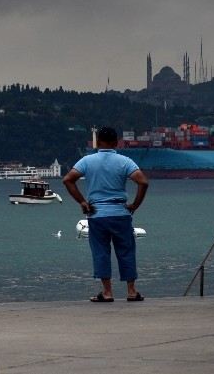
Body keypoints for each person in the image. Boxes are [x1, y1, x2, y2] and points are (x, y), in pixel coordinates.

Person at [63, 126, 149, 302]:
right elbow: (143, 182)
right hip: (120, 213)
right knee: (126, 251)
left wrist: (82, 201)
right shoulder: (125, 161)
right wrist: (135, 204)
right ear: (116, 142)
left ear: (98, 142)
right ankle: (132, 291)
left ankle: (107, 292)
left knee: (101, 252)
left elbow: (68, 180)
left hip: (97, 214)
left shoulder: (87, 161)